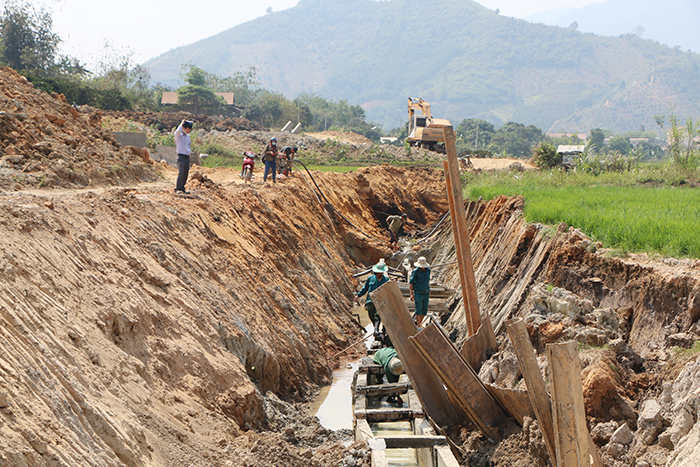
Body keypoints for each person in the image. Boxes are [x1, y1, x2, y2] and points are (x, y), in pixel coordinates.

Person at [354, 261, 389, 334]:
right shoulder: (370, 278)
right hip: (370, 300)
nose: (380, 273)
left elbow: (388, 292)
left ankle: (376, 330)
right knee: (371, 314)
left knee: (377, 315)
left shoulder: (386, 280)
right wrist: (358, 295)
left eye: (381, 272)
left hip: (380, 301)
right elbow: (365, 288)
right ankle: (376, 328)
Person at [409, 256, 431, 328]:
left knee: (424, 310)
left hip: (426, 292)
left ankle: (419, 323)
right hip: (418, 292)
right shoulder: (415, 272)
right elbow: (411, 283)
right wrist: (411, 294)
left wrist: (428, 288)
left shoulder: (428, 270)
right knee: (418, 309)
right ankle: (418, 325)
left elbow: (427, 281)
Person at [174, 120, 193, 193]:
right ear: (184, 128)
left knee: (185, 173)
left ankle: (182, 188)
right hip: (181, 157)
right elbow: (177, 132)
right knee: (181, 172)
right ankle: (178, 188)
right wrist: (182, 123)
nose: (188, 131)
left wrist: (189, 155)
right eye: (188, 129)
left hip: (187, 157)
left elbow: (188, 146)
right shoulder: (178, 135)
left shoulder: (188, 137)